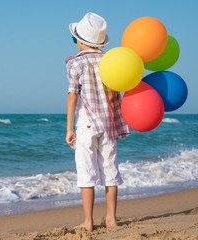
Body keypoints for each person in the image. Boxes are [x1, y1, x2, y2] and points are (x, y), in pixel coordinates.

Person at [65, 12, 130, 231]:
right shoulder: (110, 60)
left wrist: (69, 128)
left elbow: (73, 96)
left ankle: (88, 221)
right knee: (110, 171)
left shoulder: (76, 63)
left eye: (75, 39)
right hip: (108, 124)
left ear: (81, 41)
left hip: (86, 124)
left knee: (86, 172)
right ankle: (111, 218)